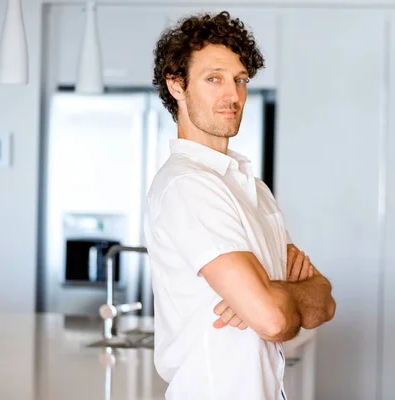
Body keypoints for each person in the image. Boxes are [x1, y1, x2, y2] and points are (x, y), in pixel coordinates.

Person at [144, 11, 336, 400]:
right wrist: (272, 299)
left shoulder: (253, 188)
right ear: (177, 85)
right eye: (213, 78)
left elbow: (325, 302)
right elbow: (273, 318)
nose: (233, 95)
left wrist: (272, 291)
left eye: (240, 80)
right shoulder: (188, 185)